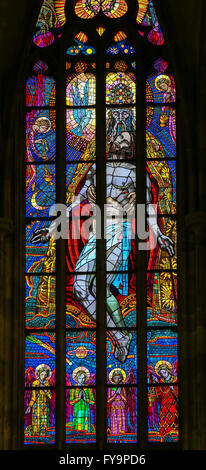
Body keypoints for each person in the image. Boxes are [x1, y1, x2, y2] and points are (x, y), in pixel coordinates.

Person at [31, 118, 174, 363]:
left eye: (127, 140)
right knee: (81, 288)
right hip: (96, 233)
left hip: (120, 232)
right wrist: (52, 229)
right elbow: (75, 203)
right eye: (120, 138)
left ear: (131, 147)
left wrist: (159, 234)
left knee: (98, 286)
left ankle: (121, 338)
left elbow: (148, 207)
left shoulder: (135, 172)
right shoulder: (98, 169)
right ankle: (120, 335)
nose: (122, 141)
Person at [25, 364, 52, 436]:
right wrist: (30, 406)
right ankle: (35, 434)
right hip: (36, 405)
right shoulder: (35, 383)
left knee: (44, 420)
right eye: (42, 374)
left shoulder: (47, 384)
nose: (44, 376)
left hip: (44, 406)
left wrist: (46, 391)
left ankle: (43, 434)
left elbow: (50, 396)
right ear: (39, 374)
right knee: (35, 420)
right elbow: (33, 396)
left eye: (45, 375)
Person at [70, 367, 95, 433]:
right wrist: (78, 399)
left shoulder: (88, 388)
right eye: (80, 378)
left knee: (86, 427)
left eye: (84, 378)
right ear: (77, 379)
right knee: (77, 427)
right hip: (77, 410)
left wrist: (85, 399)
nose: (82, 380)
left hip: (86, 410)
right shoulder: (73, 388)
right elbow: (71, 402)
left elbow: (92, 402)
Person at [107, 368, 127, 435]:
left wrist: (120, 393)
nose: (117, 380)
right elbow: (109, 401)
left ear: (121, 379)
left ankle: (123, 434)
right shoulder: (110, 387)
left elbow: (125, 400)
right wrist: (116, 393)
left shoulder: (122, 387)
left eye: (119, 378)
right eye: (115, 378)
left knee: (122, 420)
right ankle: (115, 434)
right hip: (114, 407)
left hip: (121, 406)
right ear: (113, 379)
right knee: (115, 421)